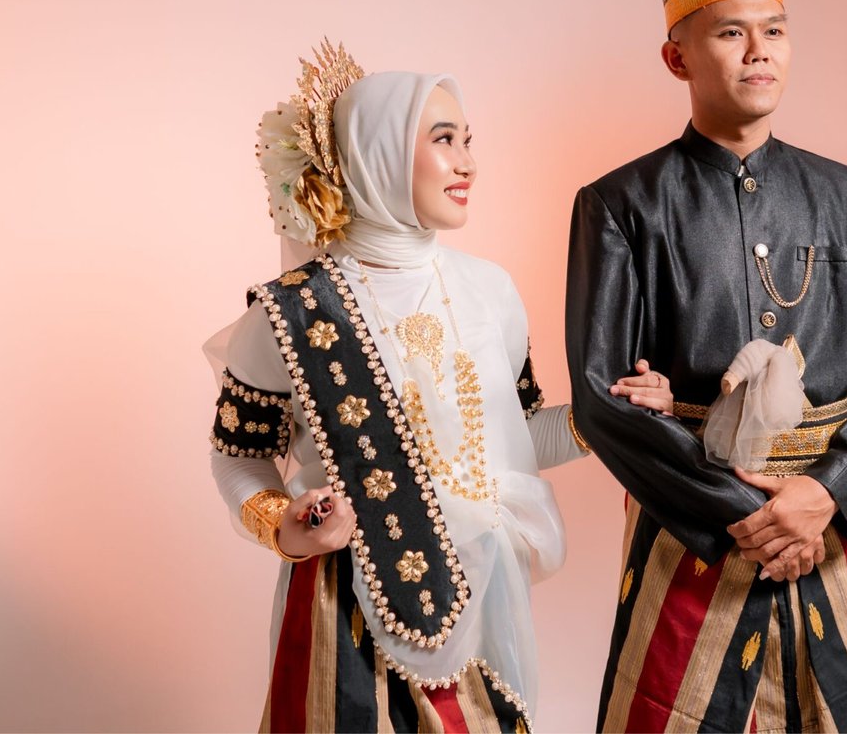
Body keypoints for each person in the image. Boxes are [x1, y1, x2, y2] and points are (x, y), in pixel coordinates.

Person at [206, 42, 671, 733]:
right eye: (444, 139)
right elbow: (237, 456)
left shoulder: (490, 292)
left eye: (469, 140)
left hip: (481, 601)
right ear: (377, 155)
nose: (468, 163)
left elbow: (514, 437)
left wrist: (607, 416)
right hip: (348, 608)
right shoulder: (291, 311)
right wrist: (284, 526)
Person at [566, 0, 847, 732]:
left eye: (775, 30)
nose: (759, 50)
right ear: (677, 57)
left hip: (833, 529)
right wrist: (748, 517)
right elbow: (603, 401)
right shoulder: (621, 205)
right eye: (731, 32)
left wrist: (825, 495)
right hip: (691, 532)